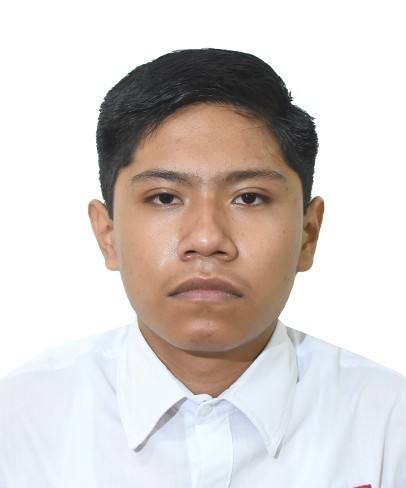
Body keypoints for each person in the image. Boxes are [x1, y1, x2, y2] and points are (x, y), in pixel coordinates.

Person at [0, 48, 405, 487]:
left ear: (308, 233)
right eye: (164, 197)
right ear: (108, 233)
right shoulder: (20, 423)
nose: (208, 239)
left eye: (249, 197)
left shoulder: (389, 424)